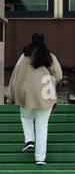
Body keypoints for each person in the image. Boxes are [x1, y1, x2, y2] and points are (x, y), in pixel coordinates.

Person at [9, 33, 63, 165]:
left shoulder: (24, 56)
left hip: (26, 94)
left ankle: (29, 140)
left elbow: (15, 75)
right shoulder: (49, 56)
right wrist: (51, 81)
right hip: (45, 94)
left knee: (25, 115)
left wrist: (12, 94)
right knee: (42, 126)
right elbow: (59, 75)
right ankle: (40, 158)